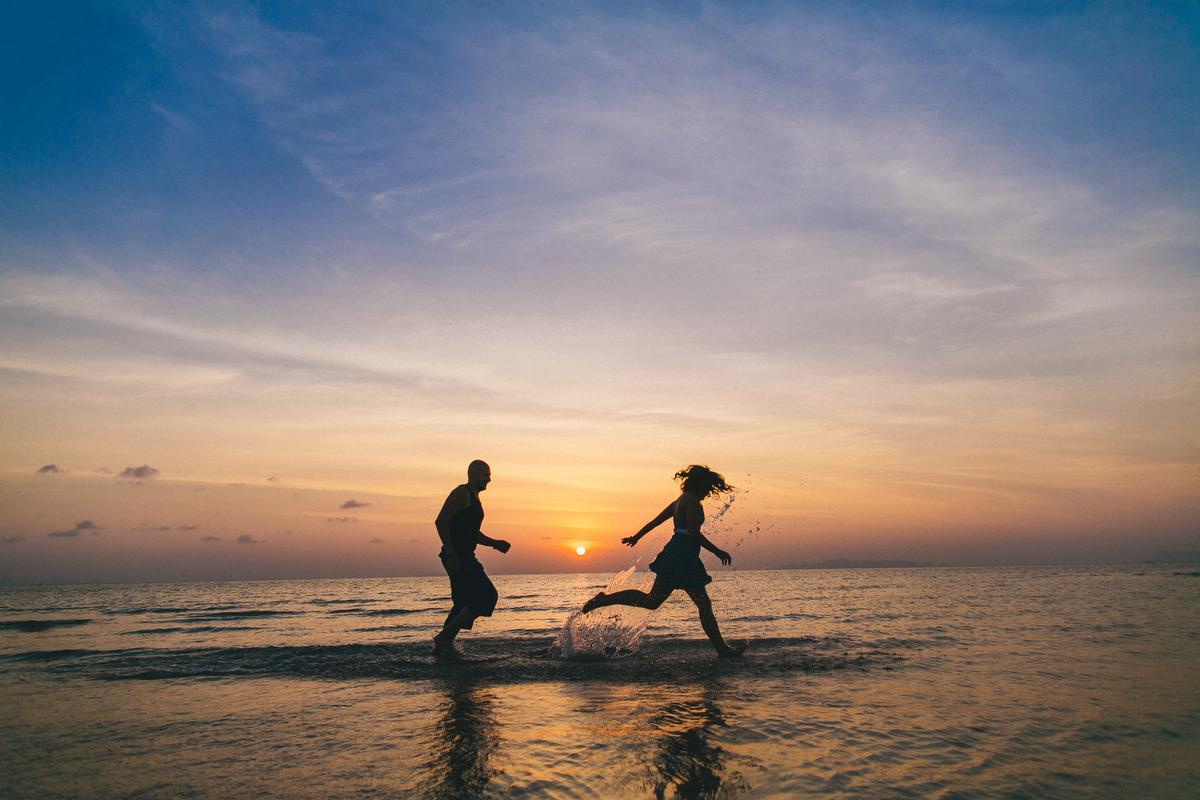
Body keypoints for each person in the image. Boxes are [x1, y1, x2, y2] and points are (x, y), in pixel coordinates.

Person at [581, 465, 746, 657]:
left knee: (653, 600)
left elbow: (655, 521)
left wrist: (636, 537)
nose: (708, 493)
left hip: (676, 553)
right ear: (701, 485)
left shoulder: (678, 501)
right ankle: (722, 650)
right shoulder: (693, 502)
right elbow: (694, 533)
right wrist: (717, 551)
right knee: (702, 605)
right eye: (708, 488)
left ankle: (604, 599)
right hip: (684, 556)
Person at [432, 460, 510, 655]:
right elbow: (441, 522)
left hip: (464, 555)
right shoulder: (462, 493)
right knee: (487, 595)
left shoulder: (474, 498)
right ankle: (444, 638)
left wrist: (495, 543)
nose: (489, 479)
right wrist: (451, 553)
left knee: (461, 603)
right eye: (486, 474)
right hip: (458, 557)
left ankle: (441, 650)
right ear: (474, 474)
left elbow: (472, 533)